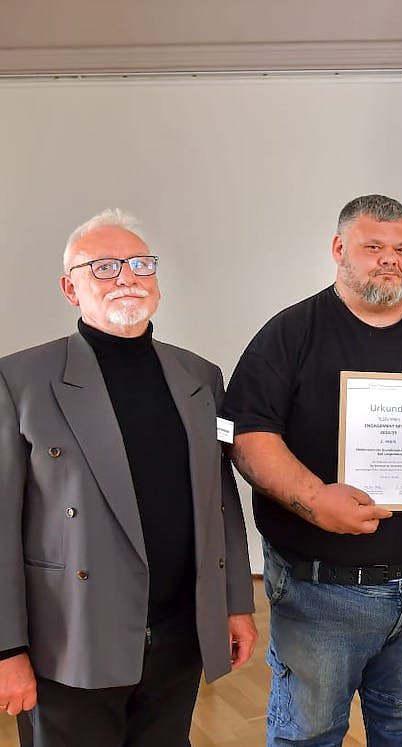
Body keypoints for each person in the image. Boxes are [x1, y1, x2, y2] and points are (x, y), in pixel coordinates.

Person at [222, 194, 402, 746]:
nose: (389, 259)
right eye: (373, 247)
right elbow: (248, 436)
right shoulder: (291, 333)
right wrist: (314, 499)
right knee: (310, 735)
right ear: (339, 249)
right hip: (319, 591)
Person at [0, 209, 256, 746]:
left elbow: (221, 501)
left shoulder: (200, 376)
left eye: (140, 264)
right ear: (70, 289)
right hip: (71, 641)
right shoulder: (19, 380)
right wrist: (7, 649)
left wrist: (235, 603)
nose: (127, 277)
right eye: (105, 267)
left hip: (178, 633)